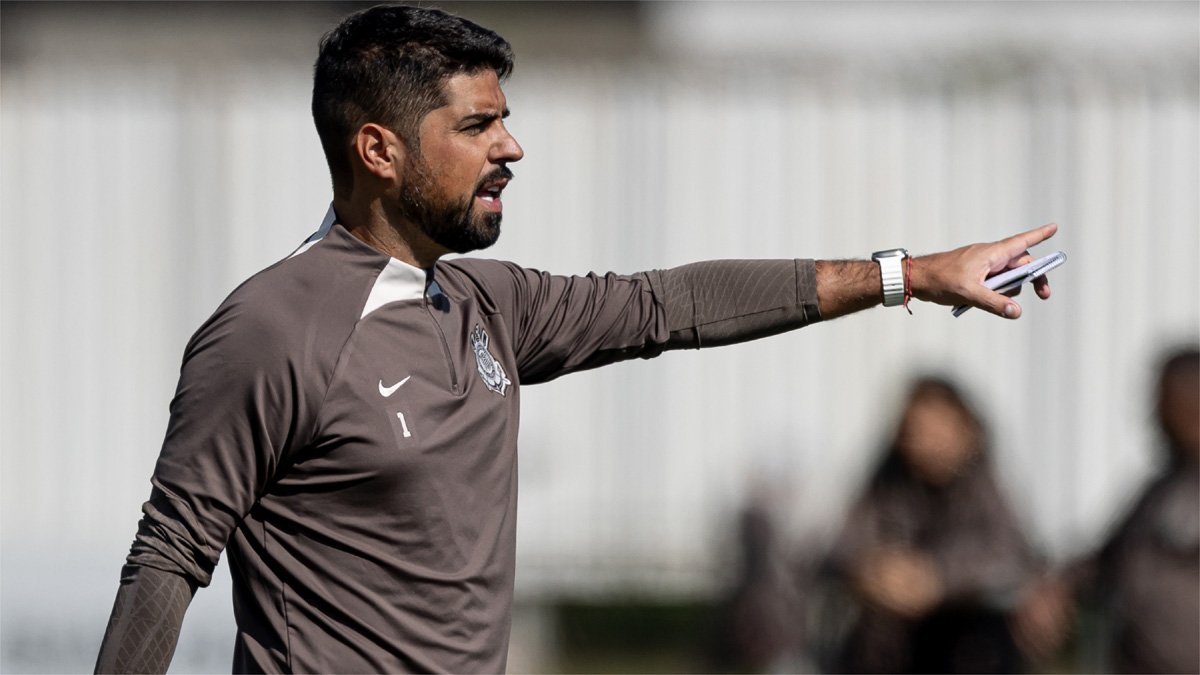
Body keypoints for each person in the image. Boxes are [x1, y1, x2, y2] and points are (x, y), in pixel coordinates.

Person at [94, 5, 1060, 673]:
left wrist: (907, 275)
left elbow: (667, 305)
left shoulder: (487, 303)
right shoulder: (272, 328)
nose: (510, 147)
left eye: (506, 121)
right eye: (478, 125)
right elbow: (169, 556)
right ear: (379, 150)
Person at [818, 377, 1065, 673]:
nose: (925, 441)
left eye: (936, 429)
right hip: (891, 652)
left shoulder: (983, 488)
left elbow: (1011, 555)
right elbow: (840, 548)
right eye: (916, 430)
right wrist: (873, 572)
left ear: (965, 431)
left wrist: (936, 577)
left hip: (967, 648)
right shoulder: (888, 482)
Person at [1069, 347, 1199, 674]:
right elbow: (1111, 556)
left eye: (1165, 399)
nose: (1155, 412)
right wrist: (1058, 586)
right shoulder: (1162, 487)